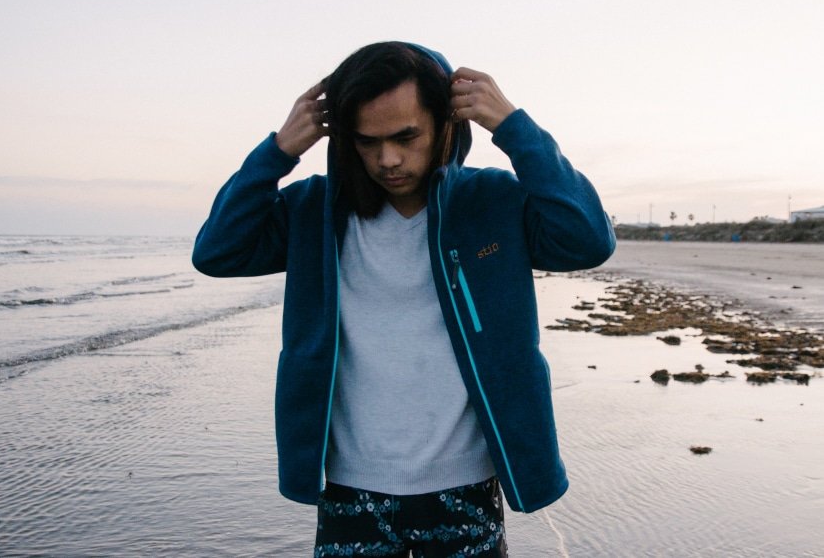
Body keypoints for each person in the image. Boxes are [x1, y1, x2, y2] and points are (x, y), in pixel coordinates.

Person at [193, 41, 615, 557]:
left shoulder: (492, 203)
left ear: (444, 124)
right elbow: (216, 251)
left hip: (466, 480)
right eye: (368, 142)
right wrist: (277, 153)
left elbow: (589, 239)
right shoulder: (313, 213)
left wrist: (513, 127)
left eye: (405, 136)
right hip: (349, 486)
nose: (387, 159)